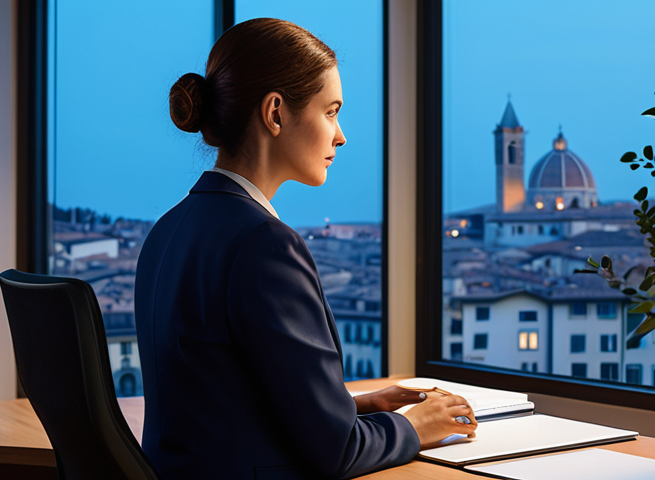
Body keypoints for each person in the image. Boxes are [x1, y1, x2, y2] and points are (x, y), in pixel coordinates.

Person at [134, 17, 477, 480]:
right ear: (275, 113)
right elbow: (338, 453)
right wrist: (415, 426)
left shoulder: (167, 230)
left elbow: (222, 402)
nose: (340, 135)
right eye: (331, 111)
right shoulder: (264, 244)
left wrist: (352, 406)